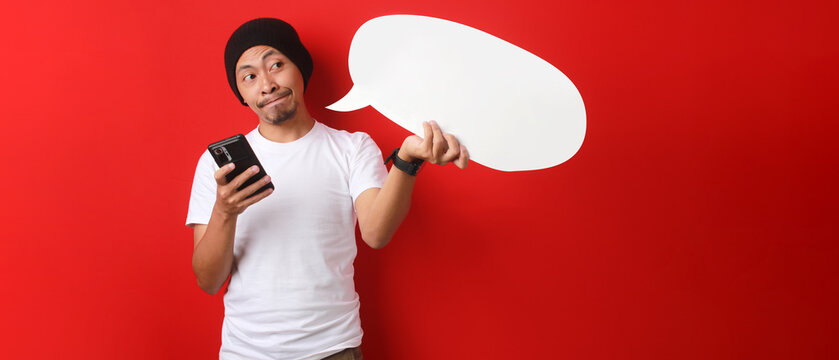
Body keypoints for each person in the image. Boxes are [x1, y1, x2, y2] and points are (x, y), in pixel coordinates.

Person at [186, 18, 469, 360]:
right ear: (242, 94)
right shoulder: (218, 166)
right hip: (246, 352)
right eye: (249, 76)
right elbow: (209, 281)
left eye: (276, 65)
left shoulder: (352, 148)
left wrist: (407, 160)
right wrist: (225, 211)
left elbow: (376, 232)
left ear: (299, 69)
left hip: (333, 349)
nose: (267, 84)